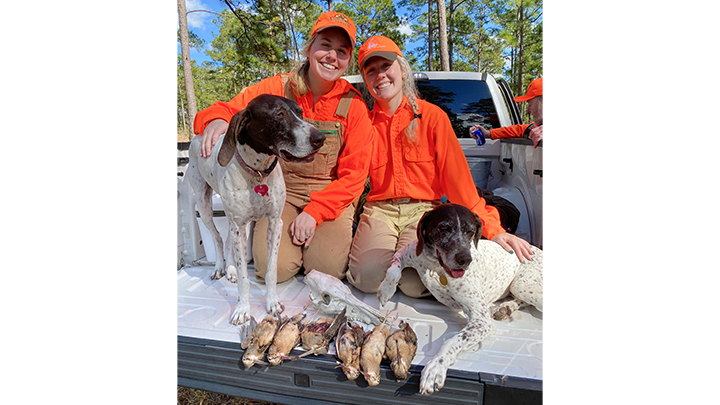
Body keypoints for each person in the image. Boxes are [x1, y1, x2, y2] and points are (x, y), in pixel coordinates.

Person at [192, 11, 374, 283]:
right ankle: (294, 253)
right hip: (281, 190)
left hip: (330, 195)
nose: (332, 56)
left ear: (348, 60)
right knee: (269, 272)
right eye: (325, 45)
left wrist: (314, 213)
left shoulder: (354, 105)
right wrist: (215, 120)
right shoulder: (277, 87)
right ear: (310, 47)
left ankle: (312, 251)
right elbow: (227, 110)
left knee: (326, 270)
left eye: (342, 51)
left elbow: (355, 177)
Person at [347, 36, 534, 298]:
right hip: (380, 211)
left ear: (401, 69)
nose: (380, 75)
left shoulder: (433, 116)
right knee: (366, 279)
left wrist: (494, 229)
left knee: (416, 284)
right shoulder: (364, 123)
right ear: (366, 79)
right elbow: (349, 177)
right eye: (371, 70)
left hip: (424, 213)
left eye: (386, 66)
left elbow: (460, 184)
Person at [469, 77, 543, 148]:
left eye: (530, 104)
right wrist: (488, 133)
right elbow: (518, 130)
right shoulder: (536, 128)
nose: (528, 110)